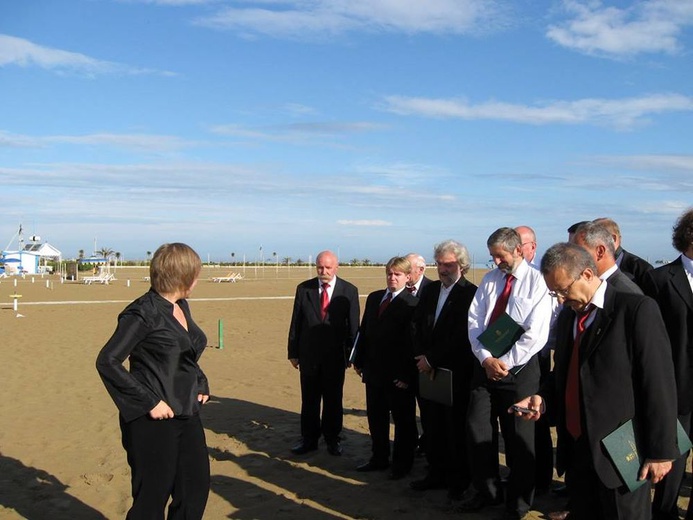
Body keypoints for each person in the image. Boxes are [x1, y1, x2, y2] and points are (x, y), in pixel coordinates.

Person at [513, 242, 678, 520]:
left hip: (622, 450)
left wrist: (661, 452)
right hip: (577, 450)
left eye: (564, 289)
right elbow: (565, 372)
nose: (561, 299)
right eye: (554, 293)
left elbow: (658, 384)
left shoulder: (636, 309)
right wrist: (543, 397)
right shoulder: (568, 317)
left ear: (588, 274)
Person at [96, 243, 210, 520]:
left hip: (187, 412)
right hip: (153, 420)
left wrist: (200, 382)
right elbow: (107, 361)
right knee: (151, 497)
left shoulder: (180, 304)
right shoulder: (142, 313)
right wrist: (150, 402)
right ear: (182, 276)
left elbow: (186, 352)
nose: (197, 280)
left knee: (195, 488)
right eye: (195, 273)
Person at [463, 227, 552, 520]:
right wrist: (487, 359)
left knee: (519, 438)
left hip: (521, 372)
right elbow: (475, 322)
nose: (496, 262)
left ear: (518, 250)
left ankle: (518, 504)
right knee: (478, 429)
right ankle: (486, 492)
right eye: (492, 257)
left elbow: (536, 334)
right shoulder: (489, 280)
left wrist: (506, 363)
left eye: (499, 256)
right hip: (485, 369)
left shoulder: (538, 282)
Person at [410, 240, 478, 501]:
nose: (442, 269)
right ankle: (435, 473)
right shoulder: (429, 291)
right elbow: (416, 324)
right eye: (438, 264)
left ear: (461, 264)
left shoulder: (471, 293)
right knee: (432, 424)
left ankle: (458, 479)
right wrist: (421, 356)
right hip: (427, 370)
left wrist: (433, 358)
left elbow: (463, 335)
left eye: (448, 264)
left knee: (455, 428)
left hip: (455, 372)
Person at [644, 208, 693, 520]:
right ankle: (663, 513)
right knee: (672, 460)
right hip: (677, 387)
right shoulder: (659, 279)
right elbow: (650, 338)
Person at [287, 250, 359, 456]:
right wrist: (293, 352)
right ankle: (309, 439)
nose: (324, 271)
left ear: (336, 267)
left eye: (328, 267)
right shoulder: (304, 289)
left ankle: (332, 439)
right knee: (309, 400)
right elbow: (296, 322)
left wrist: (352, 356)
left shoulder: (349, 291)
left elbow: (354, 327)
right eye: (320, 267)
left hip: (336, 358)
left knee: (333, 400)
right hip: (308, 356)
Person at [353, 256, 419, 480]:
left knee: (403, 422)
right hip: (373, 371)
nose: (392, 278)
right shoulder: (374, 298)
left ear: (407, 277)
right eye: (390, 273)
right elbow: (364, 331)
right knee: (376, 418)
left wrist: (407, 375)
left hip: (398, 376)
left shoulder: (412, 303)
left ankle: (401, 465)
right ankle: (378, 458)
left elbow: (412, 343)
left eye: (398, 274)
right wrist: (359, 359)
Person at [570, 221, 642, 294]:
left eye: (579, 251)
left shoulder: (628, 294)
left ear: (600, 252)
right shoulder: (595, 287)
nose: (573, 257)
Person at [593, 217, 653, 288]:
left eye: (593, 239)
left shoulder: (641, 269)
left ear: (613, 239)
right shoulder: (591, 268)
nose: (590, 244)